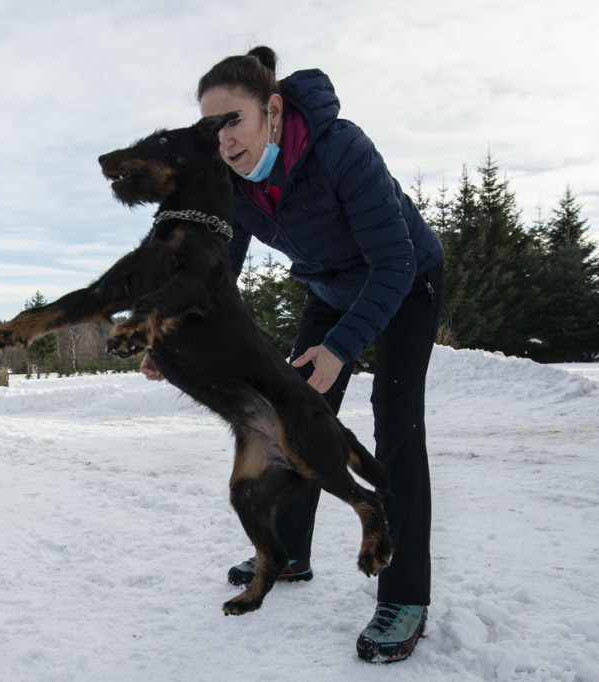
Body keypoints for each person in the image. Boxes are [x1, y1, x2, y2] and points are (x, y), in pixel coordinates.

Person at [140, 46, 443, 663]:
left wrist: (339, 348)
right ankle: (290, 553)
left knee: (395, 422)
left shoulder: (341, 150)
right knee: (290, 414)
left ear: (272, 111)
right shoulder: (234, 181)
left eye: (234, 121)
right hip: (330, 288)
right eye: (211, 127)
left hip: (405, 284)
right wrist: (172, 332)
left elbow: (395, 261)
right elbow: (216, 267)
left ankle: (403, 594)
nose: (223, 140)